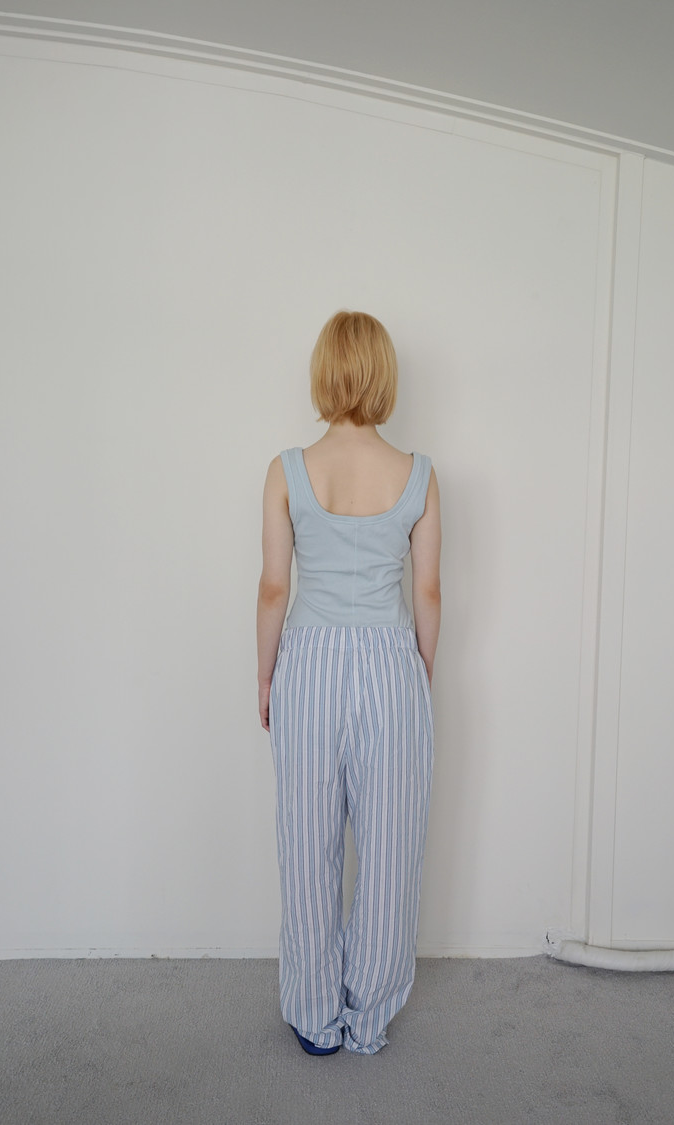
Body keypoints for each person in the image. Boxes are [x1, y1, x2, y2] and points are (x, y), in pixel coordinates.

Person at [256, 310, 441, 1056]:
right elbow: (427, 592)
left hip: (307, 662)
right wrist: (421, 673)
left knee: (306, 842)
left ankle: (313, 1015)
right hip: (391, 662)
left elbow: (274, 588)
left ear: (324, 372)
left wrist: (264, 676)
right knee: (391, 847)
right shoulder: (418, 474)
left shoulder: (287, 469)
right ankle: (368, 1011)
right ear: (384, 374)